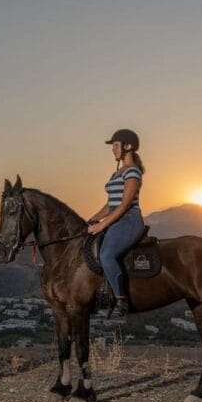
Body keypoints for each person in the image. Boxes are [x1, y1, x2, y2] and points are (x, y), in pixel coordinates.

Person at [86, 129, 146, 318]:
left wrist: (102, 226)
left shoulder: (133, 172)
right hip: (116, 218)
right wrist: (93, 219)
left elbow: (125, 204)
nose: (113, 149)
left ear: (128, 147)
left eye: (116, 145)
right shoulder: (116, 173)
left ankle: (121, 300)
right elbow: (110, 203)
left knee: (106, 255)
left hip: (129, 219)